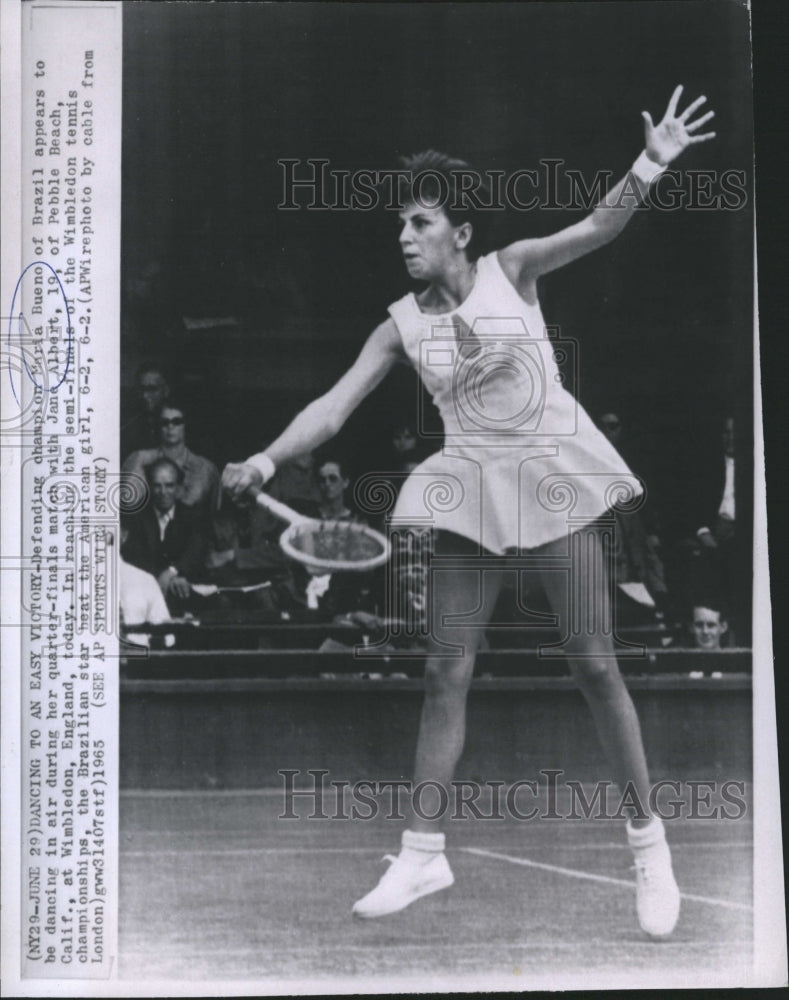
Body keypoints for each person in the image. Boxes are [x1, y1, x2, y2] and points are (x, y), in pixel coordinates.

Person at [223, 86, 715, 938]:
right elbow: (333, 408)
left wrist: (652, 159)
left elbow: (597, 228)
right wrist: (267, 456)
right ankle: (422, 854)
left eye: (418, 224)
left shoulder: (512, 268)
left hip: (552, 475)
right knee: (445, 669)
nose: (403, 238)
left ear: (461, 233)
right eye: (400, 226)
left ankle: (648, 848)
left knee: (594, 665)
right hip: (468, 487)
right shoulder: (398, 326)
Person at [122, 457, 208, 613]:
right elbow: (134, 556)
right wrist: (161, 577)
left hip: (183, 589)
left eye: (169, 486)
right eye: (157, 486)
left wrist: (172, 573)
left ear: (179, 488)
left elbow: (195, 553)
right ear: (149, 486)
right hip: (145, 589)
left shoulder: (193, 517)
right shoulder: (135, 517)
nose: (163, 492)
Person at [123, 402, 220, 518]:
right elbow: (127, 505)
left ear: (186, 425)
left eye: (177, 422)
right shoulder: (140, 459)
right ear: (158, 426)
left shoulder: (206, 469)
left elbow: (216, 515)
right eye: (165, 422)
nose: (170, 427)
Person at [121, 360, 170, 459]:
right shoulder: (128, 424)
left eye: (152, 389)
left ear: (166, 391)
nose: (144, 396)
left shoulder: (177, 423)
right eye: (141, 389)